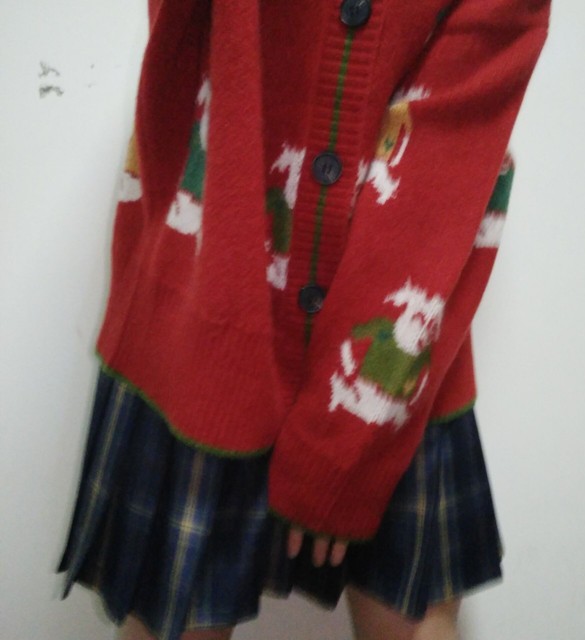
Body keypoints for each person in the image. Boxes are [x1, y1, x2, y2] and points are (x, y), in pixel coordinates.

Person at [57, 0, 551, 638]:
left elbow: (452, 147)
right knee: (173, 619)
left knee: (414, 621)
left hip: (397, 347)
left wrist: (347, 440)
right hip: (207, 303)